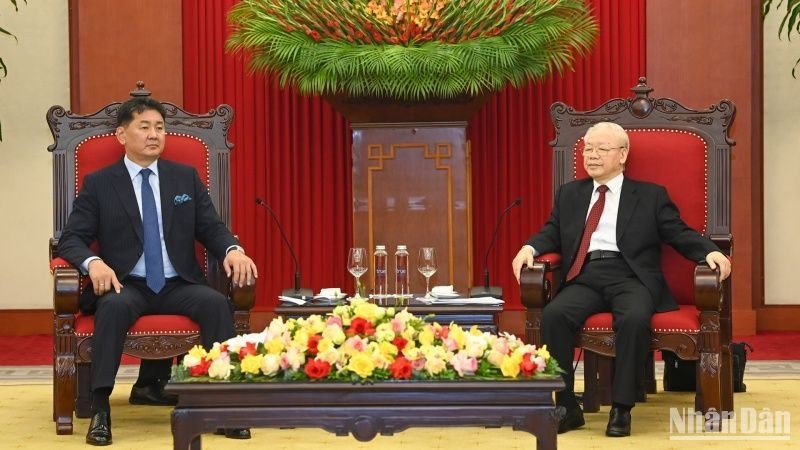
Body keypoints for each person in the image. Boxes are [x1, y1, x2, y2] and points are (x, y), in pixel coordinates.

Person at [58, 97, 258, 446]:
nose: (155, 135)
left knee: (215, 304)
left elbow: (211, 227)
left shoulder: (184, 178)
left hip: (176, 282)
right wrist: (94, 263)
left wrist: (233, 249)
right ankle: (101, 407)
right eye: (145, 127)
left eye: (160, 128)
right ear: (122, 134)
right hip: (127, 284)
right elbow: (71, 239)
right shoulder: (101, 183)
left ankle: (227, 404)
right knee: (114, 307)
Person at [511, 122, 731, 437]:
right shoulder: (570, 194)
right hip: (585, 275)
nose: (592, 156)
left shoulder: (650, 195)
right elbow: (552, 231)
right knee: (555, 316)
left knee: (634, 318)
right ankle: (566, 407)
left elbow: (679, 232)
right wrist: (529, 247)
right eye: (588, 149)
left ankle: (621, 408)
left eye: (602, 149)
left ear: (622, 154)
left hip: (632, 276)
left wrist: (709, 252)